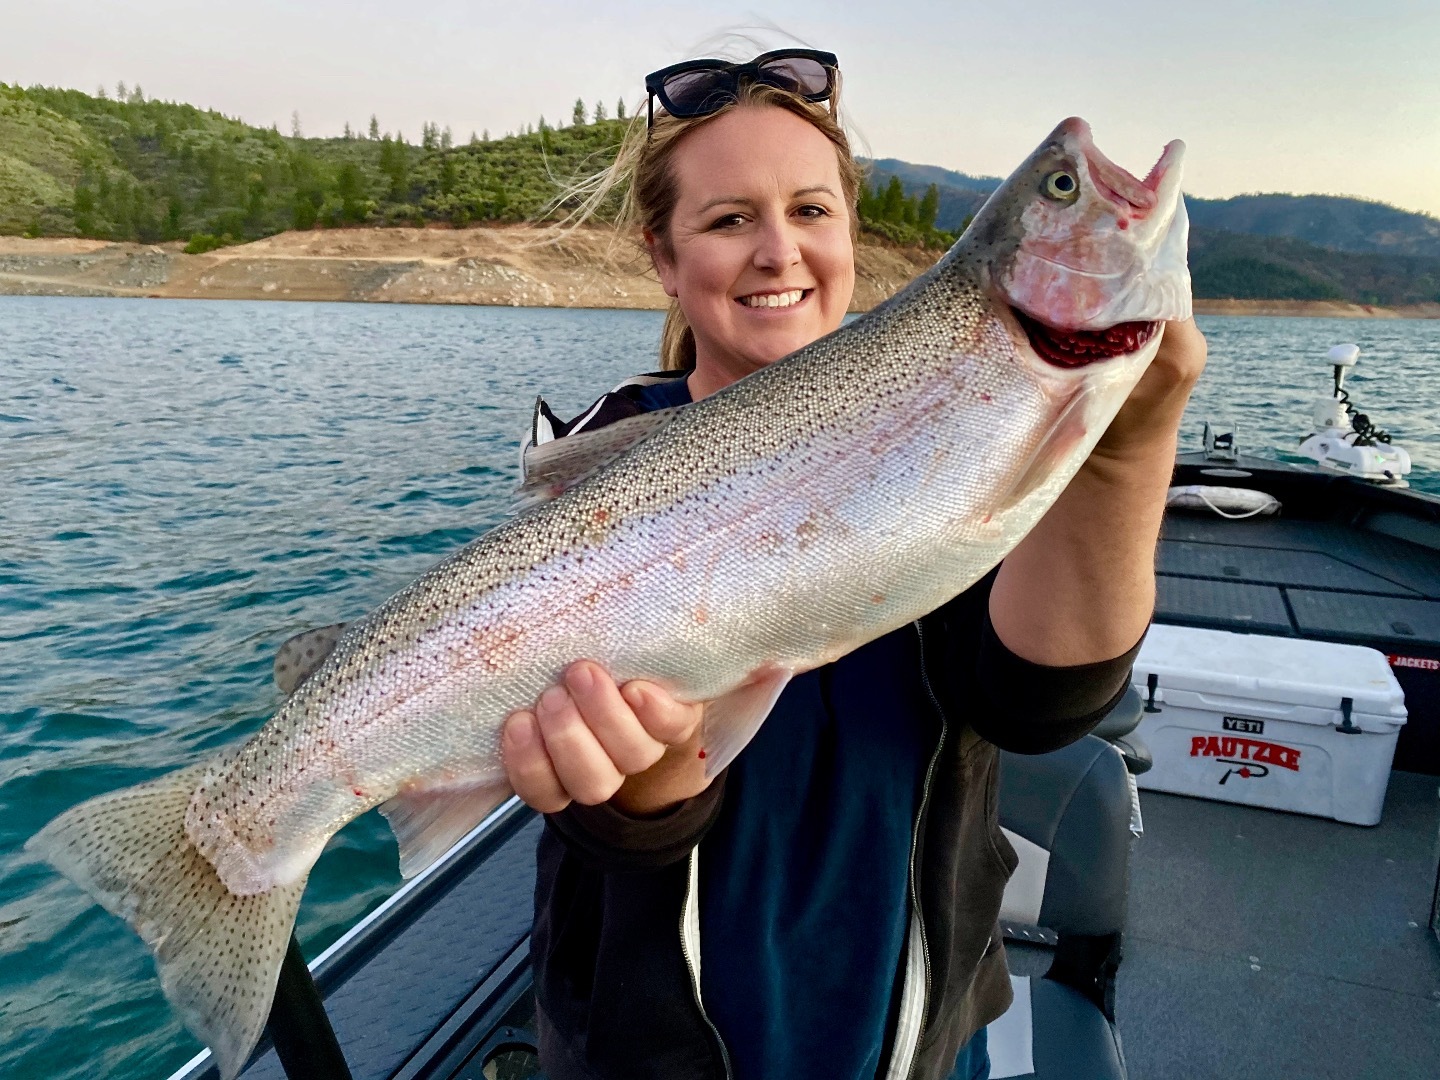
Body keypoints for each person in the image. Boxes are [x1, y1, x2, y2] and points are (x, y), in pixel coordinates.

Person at [499, 48, 1207, 1080]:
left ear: (850, 232)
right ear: (664, 254)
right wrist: (645, 791)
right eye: (730, 218)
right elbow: (596, 809)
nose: (778, 251)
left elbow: (1034, 704)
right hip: (650, 1045)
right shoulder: (601, 459)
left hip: (910, 1025)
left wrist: (1133, 449)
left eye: (811, 211)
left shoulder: (960, 416)